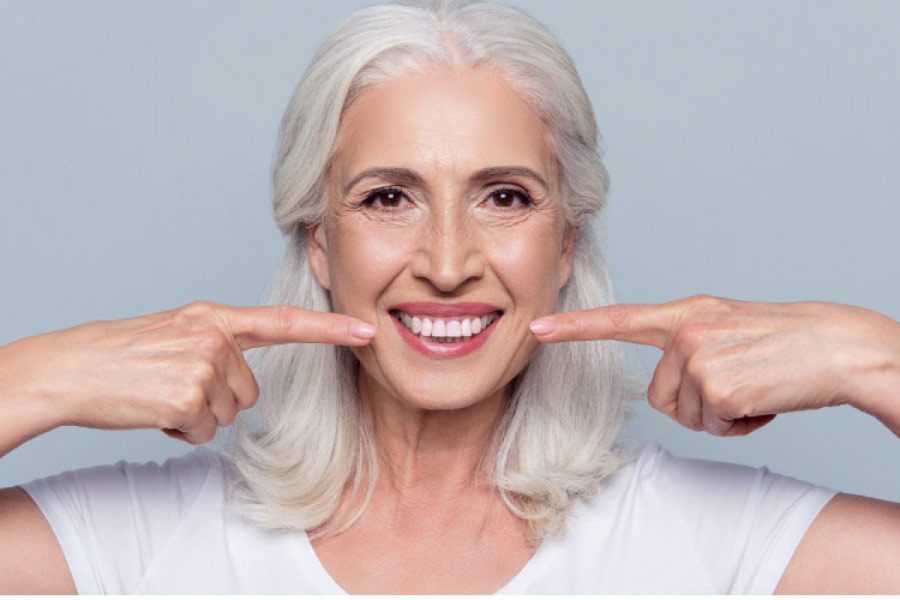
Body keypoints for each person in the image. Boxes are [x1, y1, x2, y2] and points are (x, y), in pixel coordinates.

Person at [1, 0, 899, 594]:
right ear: (319, 240)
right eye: (388, 197)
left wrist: (873, 358)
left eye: (504, 197)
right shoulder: (133, 542)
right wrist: (35, 380)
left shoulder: (720, 545)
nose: (445, 260)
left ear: (566, 244)